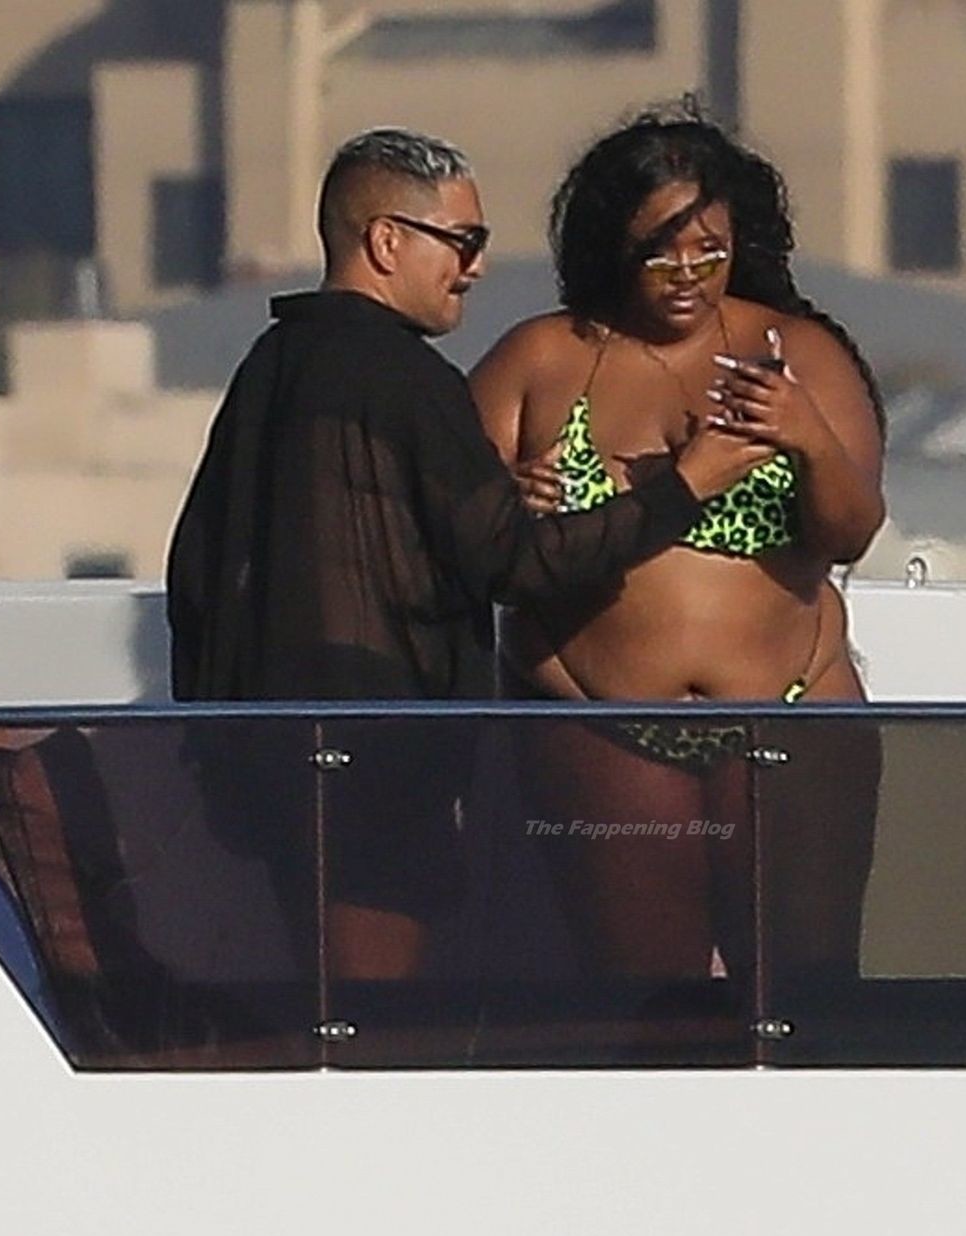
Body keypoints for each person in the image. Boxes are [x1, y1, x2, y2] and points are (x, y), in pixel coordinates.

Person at [165, 128, 773, 980]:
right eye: (463, 240)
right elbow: (518, 566)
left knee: (339, 1010)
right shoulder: (405, 379)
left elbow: (214, 564)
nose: (476, 267)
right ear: (386, 242)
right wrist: (685, 486)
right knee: (375, 1024)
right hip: (373, 773)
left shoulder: (276, 364)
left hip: (271, 771)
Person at [469, 104, 886, 986]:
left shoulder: (799, 352)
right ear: (613, 245)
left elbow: (851, 531)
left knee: (811, 995)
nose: (688, 274)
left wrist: (807, 437)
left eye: (711, 251)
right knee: (647, 1004)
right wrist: (510, 498)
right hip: (602, 726)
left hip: (790, 710)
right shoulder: (541, 357)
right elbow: (459, 533)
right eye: (660, 252)